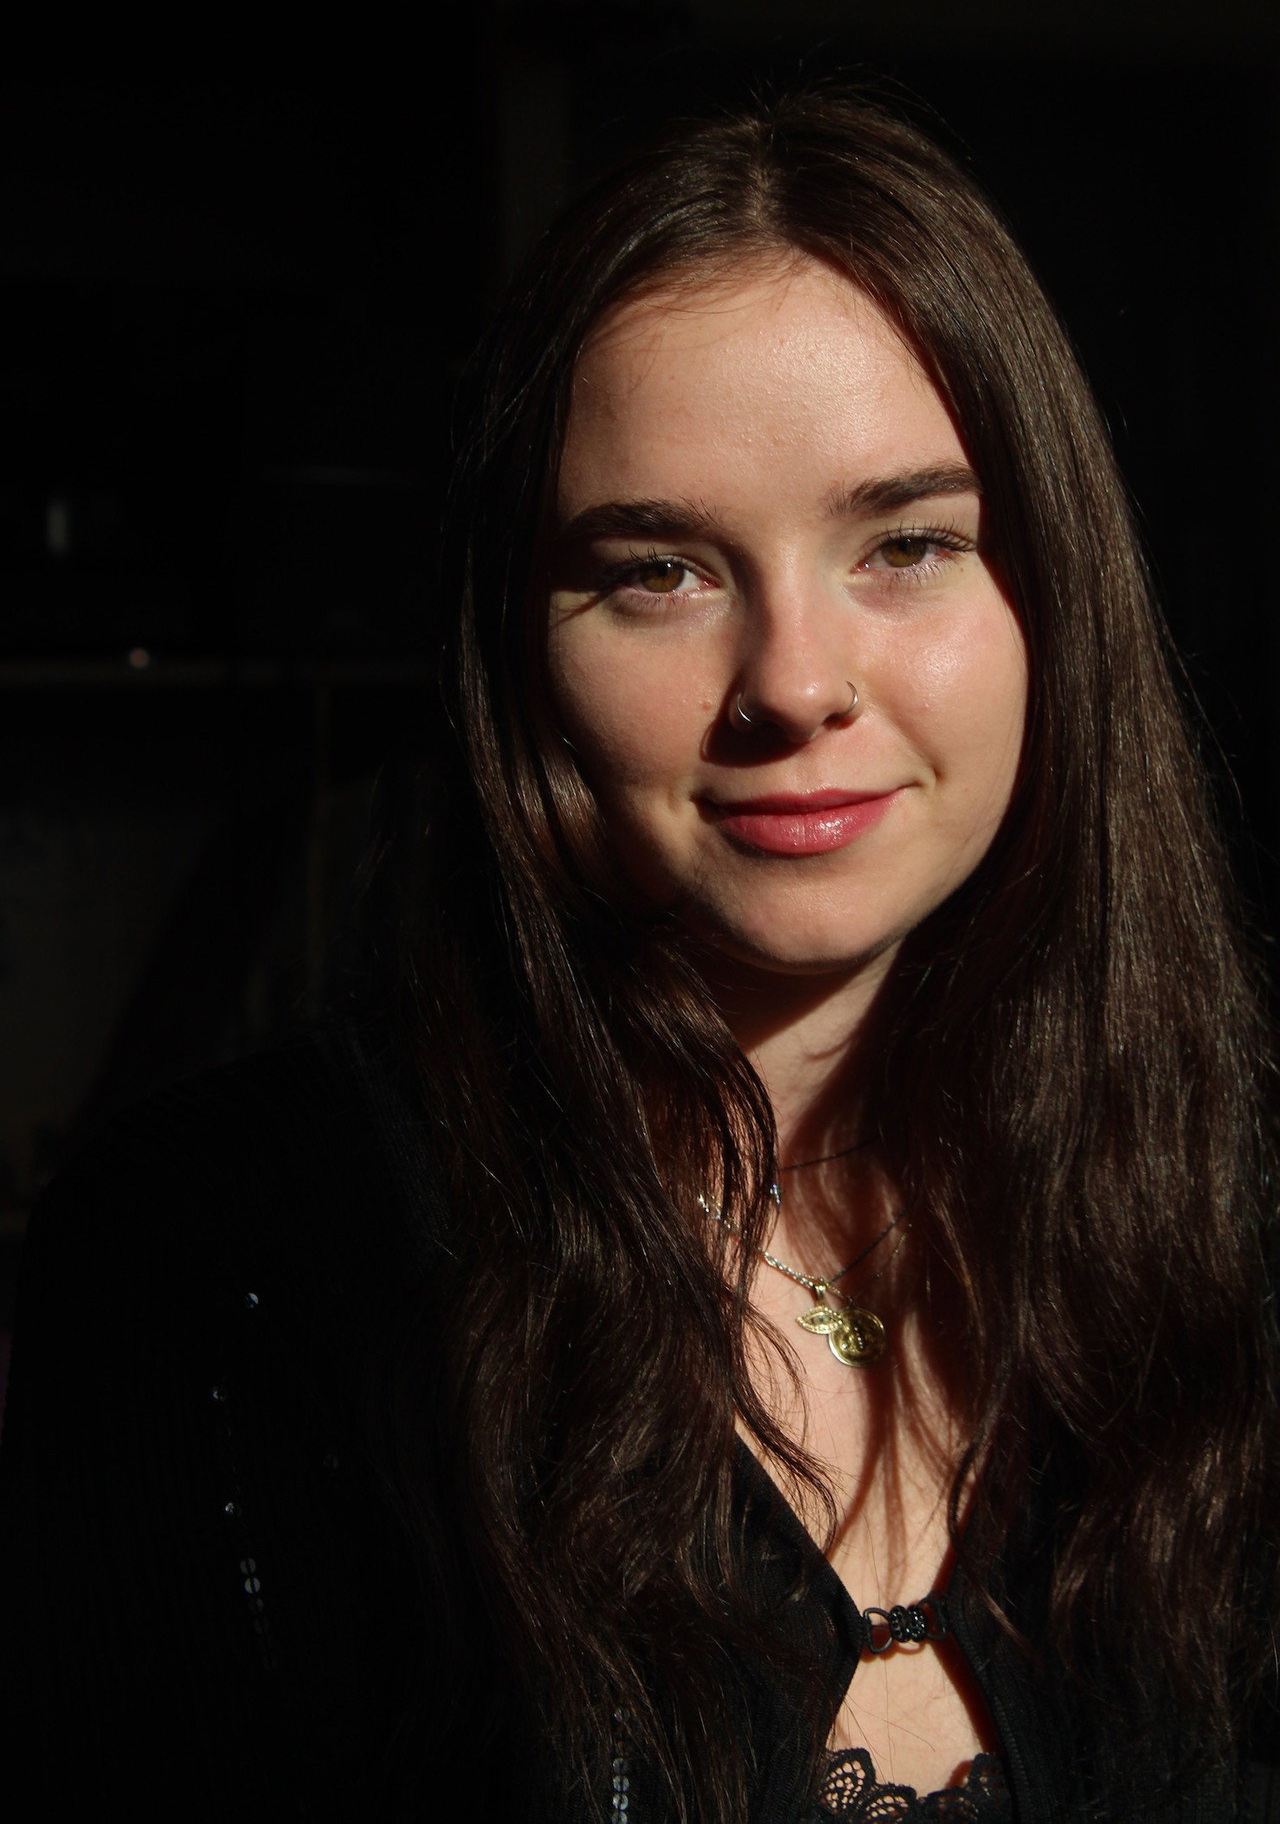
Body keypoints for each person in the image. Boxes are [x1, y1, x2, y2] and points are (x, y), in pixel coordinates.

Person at [1, 88, 1277, 1824]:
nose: (795, 683)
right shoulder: (228, 1262)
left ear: (1053, 601)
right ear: (517, 654)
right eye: (661, 571)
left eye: (907, 544)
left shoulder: (1219, 1208)